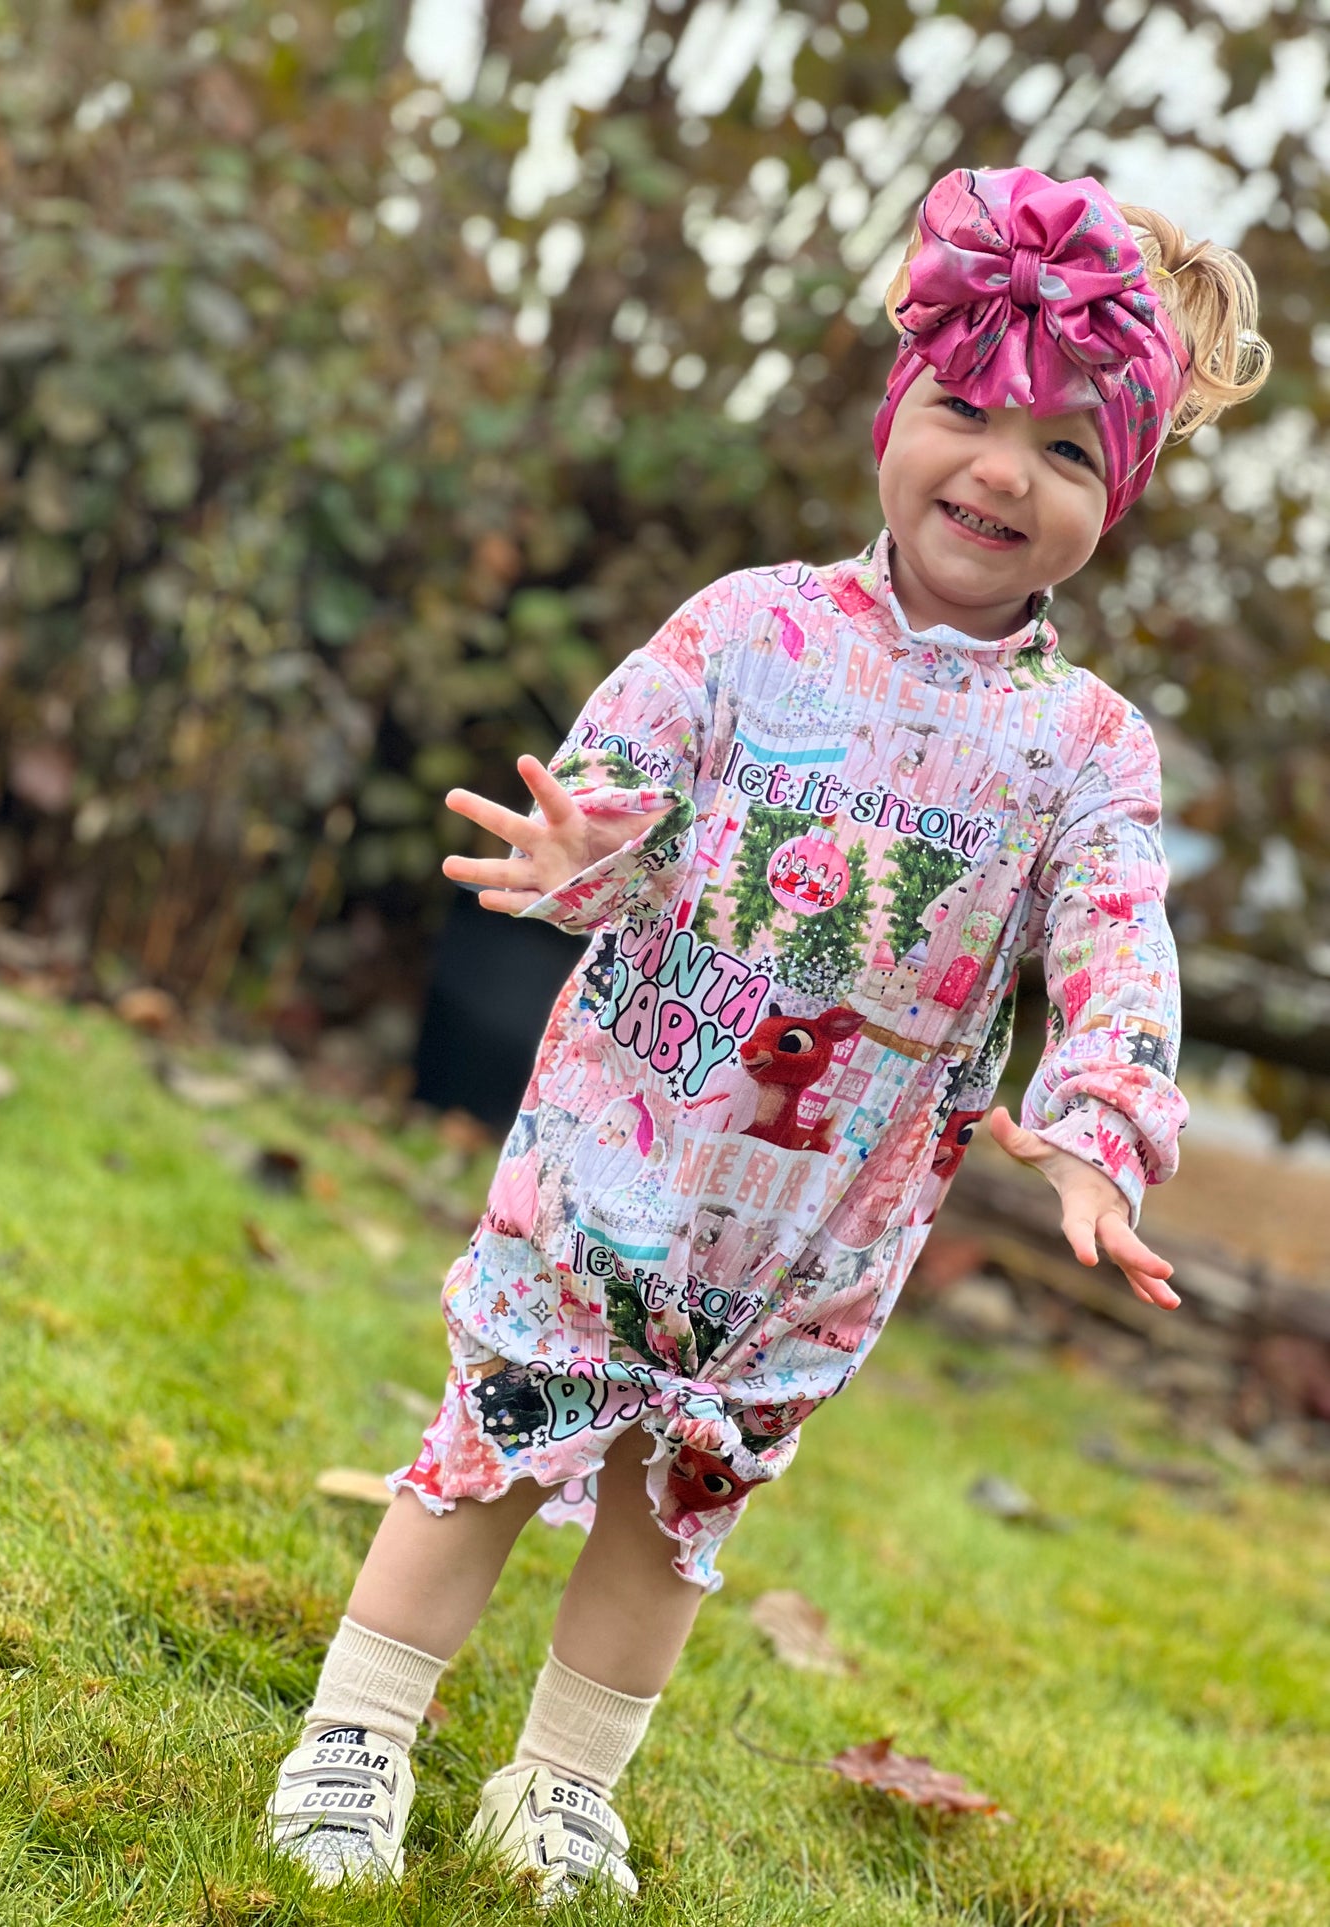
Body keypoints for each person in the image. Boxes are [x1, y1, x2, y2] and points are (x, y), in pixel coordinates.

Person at [265, 166, 1269, 1897]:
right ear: (894, 411)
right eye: (964, 413)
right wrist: (580, 853)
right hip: (615, 1154)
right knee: (490, 1446)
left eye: (1059, 448)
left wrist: (1099, 1128)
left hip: (815, 1225)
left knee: (674, 1508)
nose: (997, 472)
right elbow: (615, 789)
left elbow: (1119, 941)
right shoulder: (748, 628)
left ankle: (560, 1782)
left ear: (1116, 490)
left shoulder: (1084, 746)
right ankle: (356, 1736)